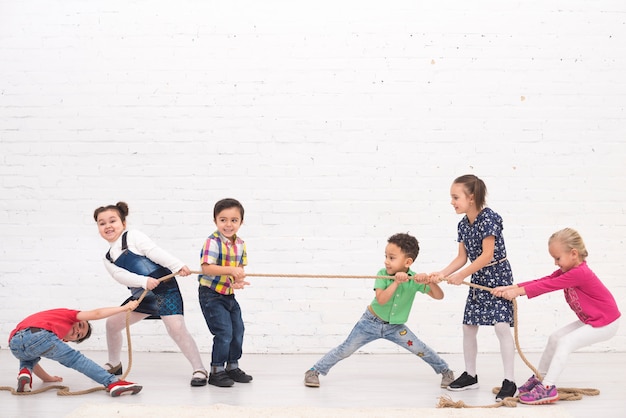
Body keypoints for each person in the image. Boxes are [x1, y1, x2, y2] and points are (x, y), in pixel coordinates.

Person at [303, 232, 455, 388]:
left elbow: (439, 296)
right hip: (369, 323)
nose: (386, 262)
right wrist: (396, 282)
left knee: (419, 348)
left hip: (395, 327)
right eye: (386, 256)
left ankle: (446, 372)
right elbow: (381, 300)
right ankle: (314, 371)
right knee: (345, 349)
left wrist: (429, 282)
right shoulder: (382, 275)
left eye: (392, 258)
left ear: (408, 262)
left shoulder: (414, 279)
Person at [492, 228, 621, 405]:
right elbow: (544, 280)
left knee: (565, 342)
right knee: (555, 338)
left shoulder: (579, 273)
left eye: (558, 258)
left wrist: (518, 292)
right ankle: (540, 378)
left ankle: (547, 388)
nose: (555, 263)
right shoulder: (568, 270)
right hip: (593, 319)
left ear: (573, 254)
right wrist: (511, 287)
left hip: (606, 322)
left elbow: (549, 286)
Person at [93, 202, 208, 387]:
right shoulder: (108, 258)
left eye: (112, 221)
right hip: (142, 295)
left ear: (123, 223)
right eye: (102, 223)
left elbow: (154, 252)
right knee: (112, 323)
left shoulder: (133, 236)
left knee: (176, 328)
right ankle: (114, 364)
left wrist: (177, 265)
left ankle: (199, 369)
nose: (107, 226)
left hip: (164, 289)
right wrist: (143, 282)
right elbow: (120, 276)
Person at [430, 174, 517, 401]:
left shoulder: (489, 219)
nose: (452, 201)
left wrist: (460, 276)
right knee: (469, 327)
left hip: (497, 277)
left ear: (471, 198)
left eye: (455, 197)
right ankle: (470, 375)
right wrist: (442, 274)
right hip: (477, 279)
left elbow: (487, 255)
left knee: (501, 326)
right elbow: (462, 257)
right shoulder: (462, 224)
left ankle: (510, 381)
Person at [8, 301, 143, 397]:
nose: (77, 330)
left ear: (67, 340)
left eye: (79, 335)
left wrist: (48, 378)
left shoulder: (46, 322)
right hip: (40, 334)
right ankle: (113, 383)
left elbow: (32, 354)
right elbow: (96, 314)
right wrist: (124, 308)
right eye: (80, 325)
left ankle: (25, 372)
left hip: (14, 344)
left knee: (28, 357)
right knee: (76, 359)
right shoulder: (68, 315)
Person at [198, 198, 252, 387]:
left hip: (228, 294)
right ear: (215, 221)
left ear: (241, 222)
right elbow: (207, 268)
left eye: (234, 220)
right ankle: (216, 370)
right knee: (224, 332)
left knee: (238, 330)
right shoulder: (212, 242)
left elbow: (238, 268)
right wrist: (230, 272)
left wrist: (237, 281)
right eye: (223, 220)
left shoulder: (241, 244)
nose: (228, 224)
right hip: (211, 294)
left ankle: (232, 366)